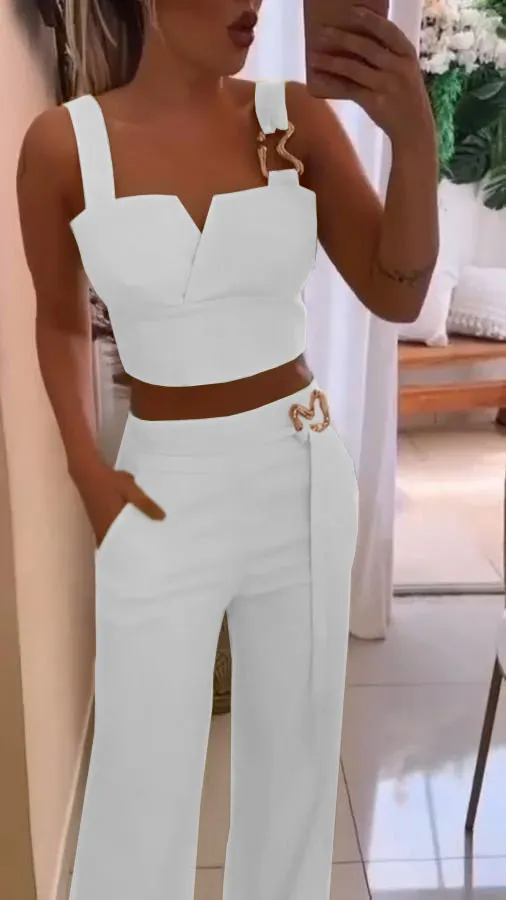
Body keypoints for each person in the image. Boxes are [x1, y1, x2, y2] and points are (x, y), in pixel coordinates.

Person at [17, 2, 439, 899]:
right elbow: (58, 318)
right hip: (158, 486)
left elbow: (396, 297)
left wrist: (415, 143)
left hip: (299, 471)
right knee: (139, 777)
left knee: (294, 767)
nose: (251, 4)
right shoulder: (62, 147)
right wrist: (87, 469)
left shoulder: (294, 119)